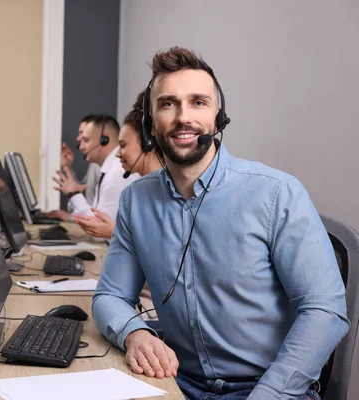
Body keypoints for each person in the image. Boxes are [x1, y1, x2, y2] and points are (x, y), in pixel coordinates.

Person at [92, 47, 348, 399]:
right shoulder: (136, 201)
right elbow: (110, 295)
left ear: (218, 117)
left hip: (268, 389)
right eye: (168, 104)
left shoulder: (276, 193)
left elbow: (325, 311)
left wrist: (269, 394)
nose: (184, 117)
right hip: (177, 382)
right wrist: (135, 334)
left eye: (198, 102)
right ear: (150, 122)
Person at [75, 91, 163, 239]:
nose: (117, 153)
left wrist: (115, 233)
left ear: (147, 143)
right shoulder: (140, 190)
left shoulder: (166, 191)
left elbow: (161, 249)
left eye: (123, 145)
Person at [53, 115, 138, 234]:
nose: (81, 147)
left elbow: (98, 231)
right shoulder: (106, 169)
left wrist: (74, 194)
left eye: (86, 140)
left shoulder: (116, 173)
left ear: (104, 140)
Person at [47, 114, 100, 222]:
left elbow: (98, 218)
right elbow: (81, 193)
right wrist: (67, 167)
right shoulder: (95, 164)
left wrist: (71, 217)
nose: (78, 138)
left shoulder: (110, 168)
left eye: (82, 133)